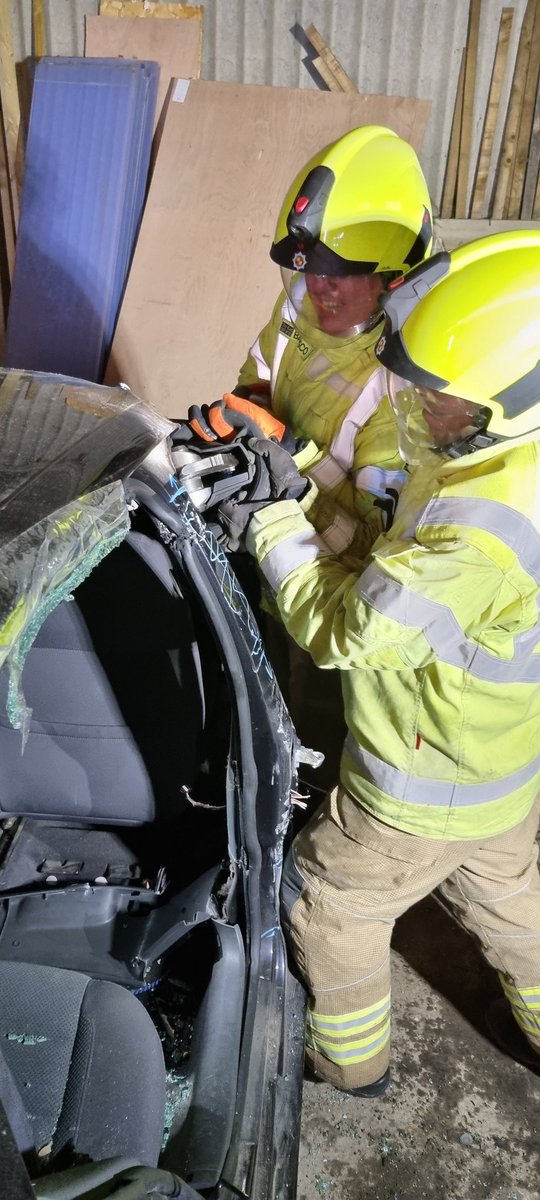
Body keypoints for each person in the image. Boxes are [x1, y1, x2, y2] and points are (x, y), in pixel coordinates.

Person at [213, 229, 540, 1096]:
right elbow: (389, 545)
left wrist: (273, 519)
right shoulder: (508, 459)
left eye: (443, 402)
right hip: (502, 767)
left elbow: (343, 631)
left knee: (329, 903)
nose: (418, 411)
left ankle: (352, 1064)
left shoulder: (479, 531)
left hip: (420, 779)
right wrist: (305, 471)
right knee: (508, 896)